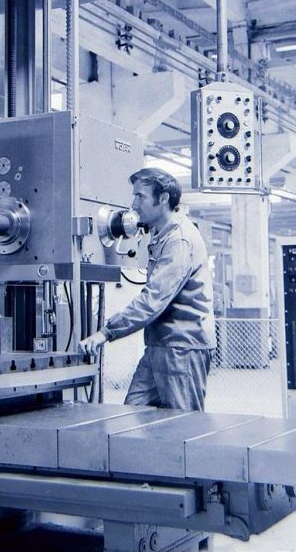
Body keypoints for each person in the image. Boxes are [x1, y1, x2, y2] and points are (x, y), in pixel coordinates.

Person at [79, 167, 215, 411]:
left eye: (140, 196)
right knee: (133, 415)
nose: (134, 204)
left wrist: (106, 332)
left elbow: (153, 299)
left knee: (185, 424)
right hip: (159, 346)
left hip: (182, 348)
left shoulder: (179, 240)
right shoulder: (162, 235)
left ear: (163, 199)